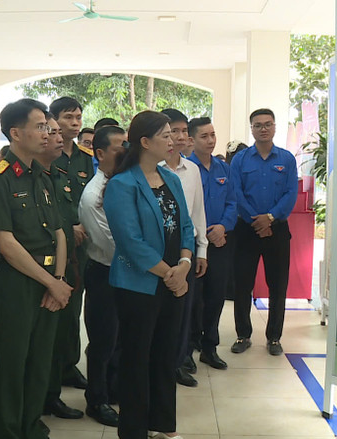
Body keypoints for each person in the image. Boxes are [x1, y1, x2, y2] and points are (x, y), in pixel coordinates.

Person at [0, 98, 72, 439]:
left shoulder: (42, 175)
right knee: (12, 364)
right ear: (16, 133)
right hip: (18, 283)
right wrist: (52, 282)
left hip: (50, 281)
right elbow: (6, 244)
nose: (47, 133)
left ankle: (32, 425)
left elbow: (59, 233)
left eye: (48, 127)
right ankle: (8, 431)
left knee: (40, 361)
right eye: (40, 126)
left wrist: (59, 280)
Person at [104, 110, 195, 439]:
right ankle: (134, 430)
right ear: (145, 142)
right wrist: (169, 272)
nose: (173, 140)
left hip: (173, 282)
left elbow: (186, 226)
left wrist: (183, 266)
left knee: (165, 355)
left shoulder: (170, 178)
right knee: (136, 359)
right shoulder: (122, 184)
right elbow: (130, 242)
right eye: (166, 135)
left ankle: (162, 425)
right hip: (138, 285)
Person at [230, 108, 297, 357]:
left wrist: (270, 218)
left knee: (278, 286)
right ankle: (242, 334)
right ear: (252, 129)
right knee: (242, 285)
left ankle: (274, 338)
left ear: (275, 127)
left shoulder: (287, 159)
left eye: (268, 124)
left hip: (277, 230)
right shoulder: (240, 160)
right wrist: (256, 221)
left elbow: (291, 194)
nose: (263, 129)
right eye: (258, 125)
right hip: (246, 230)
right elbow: (235, 193)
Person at [35, 114, 87, 420]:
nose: (56, 138)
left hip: (66, 266)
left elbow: (66, 222)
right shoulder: (23, 177)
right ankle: (39, 400)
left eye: (57, 133)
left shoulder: (59, 175)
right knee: (42, 342)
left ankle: (51, 394)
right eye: (49, 132)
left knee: (61, 334)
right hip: (38, 270)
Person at [78, 125, 128, 427]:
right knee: (102, 340)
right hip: (105, 273)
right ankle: (96, 400)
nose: (125, 150)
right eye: (119, 146)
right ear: (100, 153)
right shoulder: (94, 195)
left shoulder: (122, 183)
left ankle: (114, 390)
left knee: (121, 337)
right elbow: (113, 244)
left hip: (126, 272)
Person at [159, 108, 207, 388]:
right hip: (158, 252)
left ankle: (177, 363)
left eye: (182, 131)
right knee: (161, 312)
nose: (178, 137)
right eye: (171, 132)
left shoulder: (193, 170)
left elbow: (198, 213)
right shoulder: (150, 169)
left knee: (182, 311)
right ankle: (161, 364)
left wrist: (202, 251)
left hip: (186, 251)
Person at [187, 117, 236, 370]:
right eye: (204, 136)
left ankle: (210, 347)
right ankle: (187, 349)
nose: (210, 140)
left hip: (219, 242)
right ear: (191, 140)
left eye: (213, 135)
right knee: (192, 299)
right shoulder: (186, 169)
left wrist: (223, 227)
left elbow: (232, 202)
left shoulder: (224, 169)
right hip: (194, 244)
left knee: (216, 297)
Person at [51, 96, 93, 389]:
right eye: (68, 117)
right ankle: (56, 370)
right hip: (58, 244)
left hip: (86, 245)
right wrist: (69, 226)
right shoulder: (47, 156)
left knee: (76, 308)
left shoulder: (86, 158)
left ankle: (70, 365)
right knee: (60, 311)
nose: (75, 122)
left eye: (78, 117)